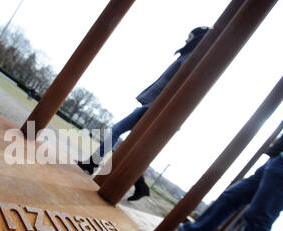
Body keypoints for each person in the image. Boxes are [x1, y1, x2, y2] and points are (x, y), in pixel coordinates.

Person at [77, 27, 210, 201]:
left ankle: (92, 163)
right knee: (130, 143)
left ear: (197, 39)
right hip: (152, 105)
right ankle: (140, 186)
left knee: (117, 130)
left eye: (189, 37)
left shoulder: (191, 59)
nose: (186, 40)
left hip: (155, 107)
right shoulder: (188, 57)